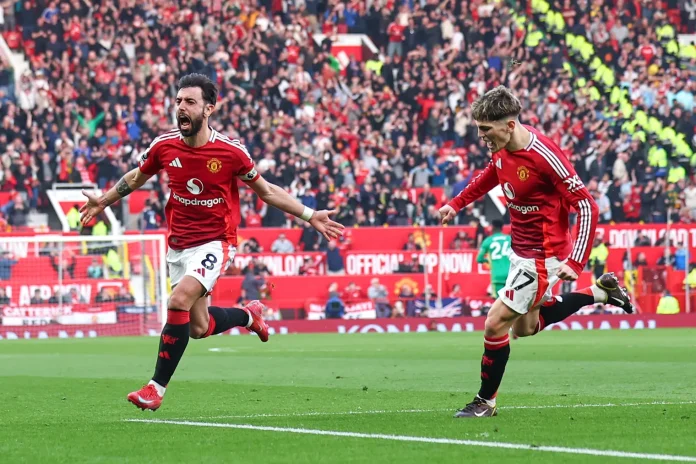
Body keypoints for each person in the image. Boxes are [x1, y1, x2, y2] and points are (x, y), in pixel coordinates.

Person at [79, 73, 344, 411]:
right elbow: (136, 177)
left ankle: (155, 388)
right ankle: (249, 315)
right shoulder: (164, 146)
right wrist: (103, 200)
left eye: (189, 102)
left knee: (177, 301)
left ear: (209, 108)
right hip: (179, 245)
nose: (181, 108)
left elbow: (267, 191)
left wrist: (309, 214)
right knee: (199, 327)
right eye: (178, 102)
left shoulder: (230, 152)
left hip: (216, 242)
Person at [438, 86, 634, 418]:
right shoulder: (501, 147)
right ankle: (600, 292)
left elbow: (587, 206)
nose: (481, 135)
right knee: (524, 329)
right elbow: (492, 174)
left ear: (509, 125)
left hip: (544, 255)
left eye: (486, 129)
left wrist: (576, 261)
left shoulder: (545, 157)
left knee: (495, 323)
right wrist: (457, 203)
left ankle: (485, 402)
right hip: (521, 249)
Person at [476, 219, 511, 298]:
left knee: (498, 303)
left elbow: (479, 259)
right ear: (502, 227)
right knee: (510, 302)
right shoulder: (509, 239)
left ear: (492, 227)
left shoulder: (488, 240)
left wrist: (488, 261)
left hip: (497, 275)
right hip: (510, 275)